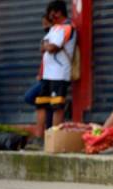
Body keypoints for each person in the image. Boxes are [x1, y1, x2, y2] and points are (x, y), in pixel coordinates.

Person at [34, 0, 76, 142]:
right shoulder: (53, 29)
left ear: (58, 12)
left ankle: (54, 140)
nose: (49, 16)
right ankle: (39, 138)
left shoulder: (68, 27)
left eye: (51, 12)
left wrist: (48, 45)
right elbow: (43, 46)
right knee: (41, 104)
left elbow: (53, 48)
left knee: (57, 106)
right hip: (47, 74)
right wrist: (47, 45)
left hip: (60, 75)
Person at [24, 14, 53, 130]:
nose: (44, 26)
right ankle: (48, 132)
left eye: (46, 23)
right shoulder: (47, 37)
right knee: (46, 105)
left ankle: (48, 133)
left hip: (51, 77)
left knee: (30, 97)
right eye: (43, 24)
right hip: (44, 76)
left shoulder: (54, 36)